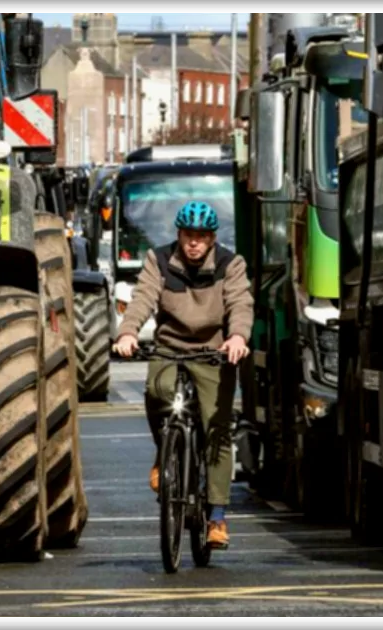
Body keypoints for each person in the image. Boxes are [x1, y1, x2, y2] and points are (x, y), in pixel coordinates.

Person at [112, 200, 253, 550]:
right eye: (188, 236)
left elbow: (240, 303)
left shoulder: (230, 264)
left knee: (217, 427)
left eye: (201, 237)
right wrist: (128, 332)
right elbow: (143, 297)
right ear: (178, 235)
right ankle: (165, 454)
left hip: (213, 350)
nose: (194, 243)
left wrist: (238, 337)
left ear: (211, 238)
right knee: (157, 394)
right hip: (170, 347)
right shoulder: (158, 260)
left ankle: (217, 517)